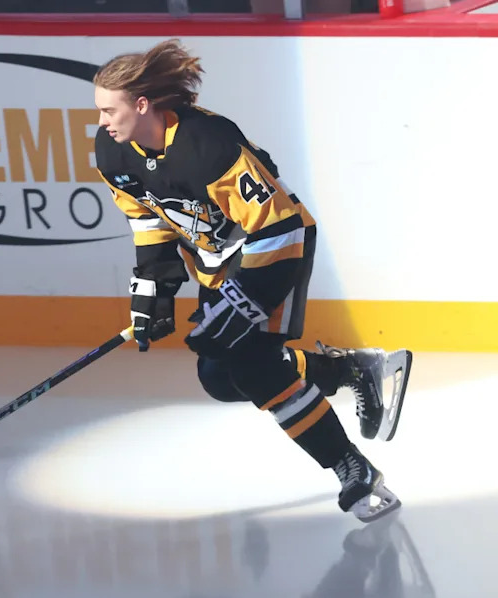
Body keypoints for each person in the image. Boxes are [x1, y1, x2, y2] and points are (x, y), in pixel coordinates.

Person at [92, 38, 409, 522]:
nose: (101, 122)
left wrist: (246, 300)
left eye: (108, 111)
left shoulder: (208, 143)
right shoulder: (114, 153)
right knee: (218, 377)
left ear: (141, 105)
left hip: (273, 250)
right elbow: (149, 218)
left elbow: (276, 225)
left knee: (253, 367)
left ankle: (353, 470)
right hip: (220, 262)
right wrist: (153, 288)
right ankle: (347, 371)